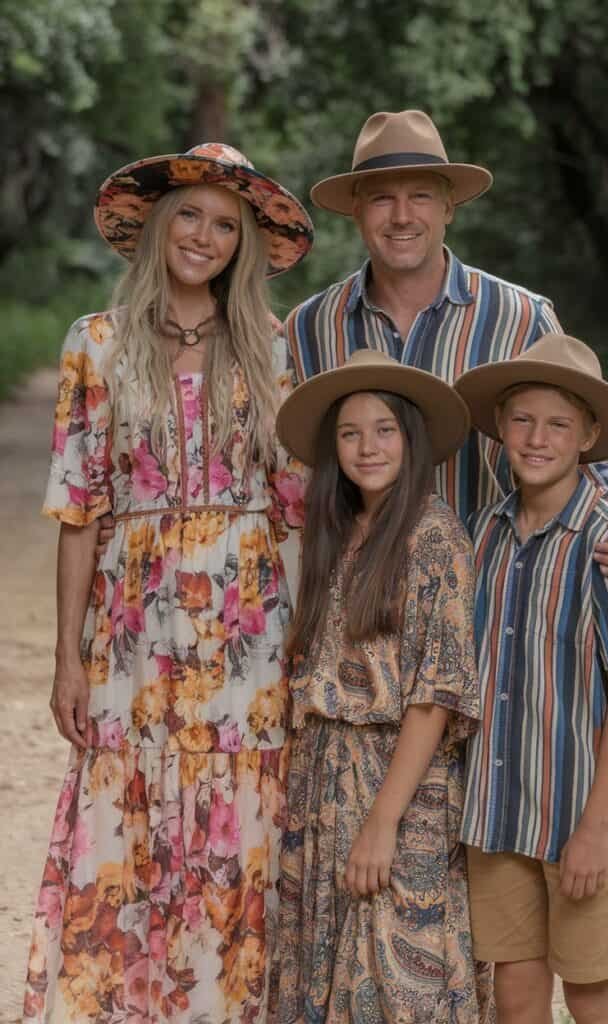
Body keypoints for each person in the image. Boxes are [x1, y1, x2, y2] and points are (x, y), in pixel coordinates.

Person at [24, 143, 313, 1024]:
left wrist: (301, 645)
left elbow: (298, 513)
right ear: (155, 225)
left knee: (244, 839)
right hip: (132, 637)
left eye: (226, 225)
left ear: (245, 245)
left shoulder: (275, 346)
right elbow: (79, 511)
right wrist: (69, 661)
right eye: (188, 214)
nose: (205, 236)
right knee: (130, 836)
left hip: (250, 637)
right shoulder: (96, 344)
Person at [285, 108, 608, 586]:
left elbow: (582, 451)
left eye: (420, 196)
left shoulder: (521, 318)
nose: (402, 216)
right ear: (356, 209)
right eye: (382, 199)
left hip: (484, 602)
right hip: (354, 608)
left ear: (449, 207)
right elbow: (288, 469)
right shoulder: (309, 328)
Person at [274, 349, 494, 1023]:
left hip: (398, 783)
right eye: (349, 432)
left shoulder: (433, 536)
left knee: (401, 981)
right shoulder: (336, 532)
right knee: (322, 965)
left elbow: (435, 695)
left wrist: (381, 823)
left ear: (411, 438)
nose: (366, 447)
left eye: (383, 429)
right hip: (322, 777)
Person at [455, 334, 608, 1024]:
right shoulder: (481, 535)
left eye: (558, 424)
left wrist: (596, 828)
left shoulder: (606, 541)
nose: (536, 438)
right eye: (522, 420)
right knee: (515, 989)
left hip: (577, 811)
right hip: (498, 811)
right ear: (500, 427)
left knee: (590, 985)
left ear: (588, 436)